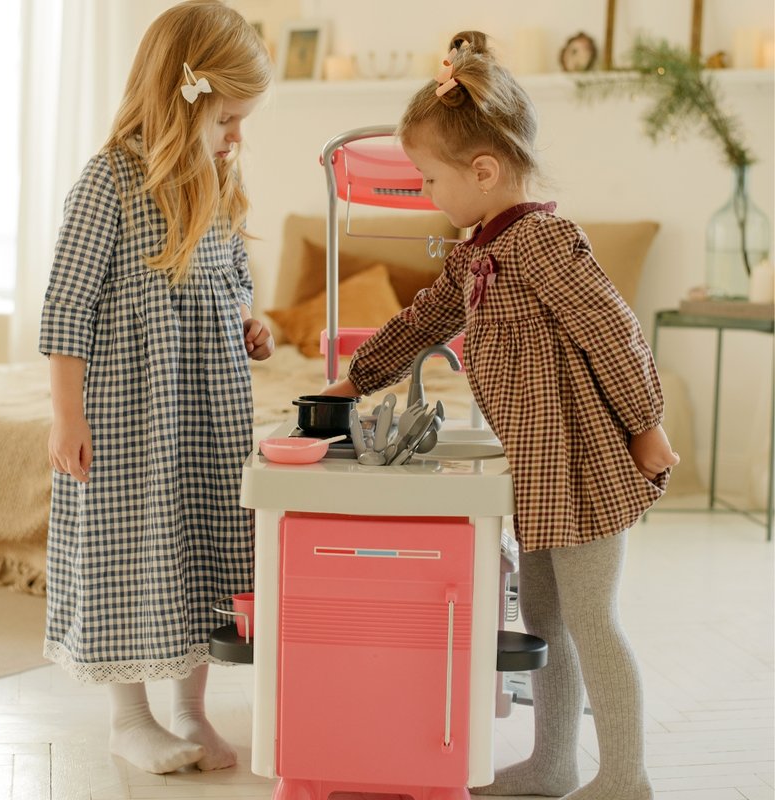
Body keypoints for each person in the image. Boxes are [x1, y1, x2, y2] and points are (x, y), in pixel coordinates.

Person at [322, 31, 679, 800]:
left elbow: (613, 331)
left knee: (594, 622)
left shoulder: (545, 244)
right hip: (544, 474)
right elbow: (422, 321)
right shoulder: (478, 253)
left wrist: (647, 423)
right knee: (547, 617)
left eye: (430, 181)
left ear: (484, 171)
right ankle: (553, 764)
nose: (427, 195)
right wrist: (360, 379)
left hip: (586, 467)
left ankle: (627, 778)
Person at [39, 1, 274, 775]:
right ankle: (129, 717)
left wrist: (249, 321)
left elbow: (231, 278)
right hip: (129, 414)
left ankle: (188, 709)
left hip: (205, 410)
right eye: (229, 118)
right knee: (130, 551)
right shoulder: (108, 181)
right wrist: (66, 415)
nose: (238, 136)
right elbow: (67, 305)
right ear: (187, 101)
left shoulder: (218, 183)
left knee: (203, 550)